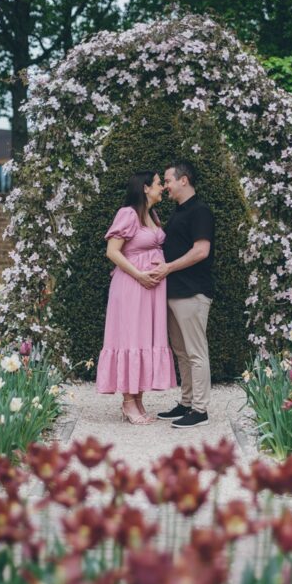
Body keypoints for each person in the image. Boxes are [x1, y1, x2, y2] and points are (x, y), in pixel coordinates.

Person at [96, 171, 177, 423]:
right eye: (157, 183)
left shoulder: (152, 215)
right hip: (132, 286)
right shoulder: (128, 214)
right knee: (131, 337)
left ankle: (138, 399)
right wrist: (140, 275)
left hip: (151, 290)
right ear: (144, 188)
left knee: (144, 339)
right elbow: (113, 252)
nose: (162, 187)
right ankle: (128, 402)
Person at [150, 160, 214, 428]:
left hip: (193, 291)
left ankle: (200, 410)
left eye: (168, 181)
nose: (165, 186)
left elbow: (201, 251)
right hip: (174, 291)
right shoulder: (179, 212)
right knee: (182, 352)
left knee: (196, 352)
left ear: (183, 180)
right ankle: (187, 403)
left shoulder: (200, 211)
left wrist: (168, 268)